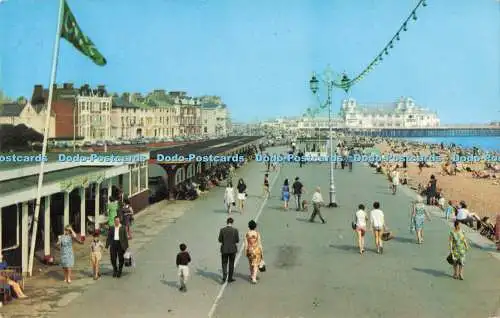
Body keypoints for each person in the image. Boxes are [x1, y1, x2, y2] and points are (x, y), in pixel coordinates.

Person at [218, 217, 239, 284]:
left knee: (224, 263)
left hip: (224, 249)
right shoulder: (235, 230)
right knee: (231, 264)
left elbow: (220, 240)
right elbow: (237, 240)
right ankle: (230, 278)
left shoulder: (222, 230)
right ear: (232, 222)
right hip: (233, 249)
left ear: (227, 222)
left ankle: (224, 277)